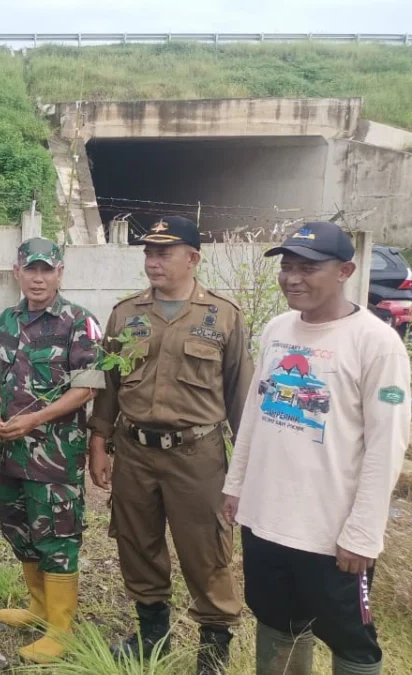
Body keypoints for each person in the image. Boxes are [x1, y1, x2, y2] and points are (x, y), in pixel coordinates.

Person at [222, 222, 411, 675]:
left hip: (330, 534)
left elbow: (387, 445)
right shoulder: (277, 329)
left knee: (352, 641)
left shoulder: (376, 343)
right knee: (276, 622)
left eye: (308, 267)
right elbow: (255, 412)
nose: (292, 278)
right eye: (287, 266)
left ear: (345, 270)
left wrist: (363, 532)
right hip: (265, 521)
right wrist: (236, 485)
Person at [89, 215, 252, 674]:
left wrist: (244, 472)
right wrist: (98, 441)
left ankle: (213, 651)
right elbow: (109, 385)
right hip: (135, 450)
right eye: (148, 252)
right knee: (136, 543)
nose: (153, 261)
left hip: (197, 455)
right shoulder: (126, 314)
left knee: (206, 550)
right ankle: (151, 636)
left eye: (164, 252)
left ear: (193, 258)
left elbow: (241, 398)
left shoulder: (223, 316)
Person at [0, 238, 105, 662]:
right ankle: (38, 607)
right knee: (18, 526)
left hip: (56, 453)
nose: (38, 278)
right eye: (30, 269)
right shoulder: (7, 320)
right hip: (11, 453)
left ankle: (61, 629)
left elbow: (88, 386)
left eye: (46, 270)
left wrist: (34, 419)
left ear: (59, 273)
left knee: (57, 534)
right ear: (17, 271)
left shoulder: (78, 322)